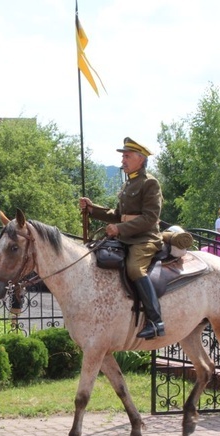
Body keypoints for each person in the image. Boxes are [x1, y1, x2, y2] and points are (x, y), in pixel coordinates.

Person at [80, 137, 166, 339]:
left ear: (140, 159)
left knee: (135, 269)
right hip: (126, 237)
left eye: (127, 156)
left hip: (145, 238)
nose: (123, 160)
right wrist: (93, 209)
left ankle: (155, 321)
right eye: (123, 156)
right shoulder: (130, 183)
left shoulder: (150, 183)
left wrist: (119, 229)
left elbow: (150, 218)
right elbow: (118, 214)